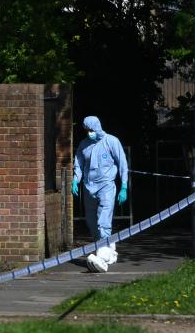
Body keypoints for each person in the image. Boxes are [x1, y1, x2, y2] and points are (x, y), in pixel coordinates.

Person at [72, 116, 128, 272]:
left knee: (103, 221)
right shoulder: (84, 145)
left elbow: (122, 163)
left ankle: (102, 256)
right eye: (87, 130)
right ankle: (108, 249)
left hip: (106, 186)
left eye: (91, 130)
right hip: (89, 187)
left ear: (97, 127)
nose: (89, 133)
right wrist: (75, 180)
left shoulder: (111, 141)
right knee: (91, 221)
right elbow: (79, 163)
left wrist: (124, 186)